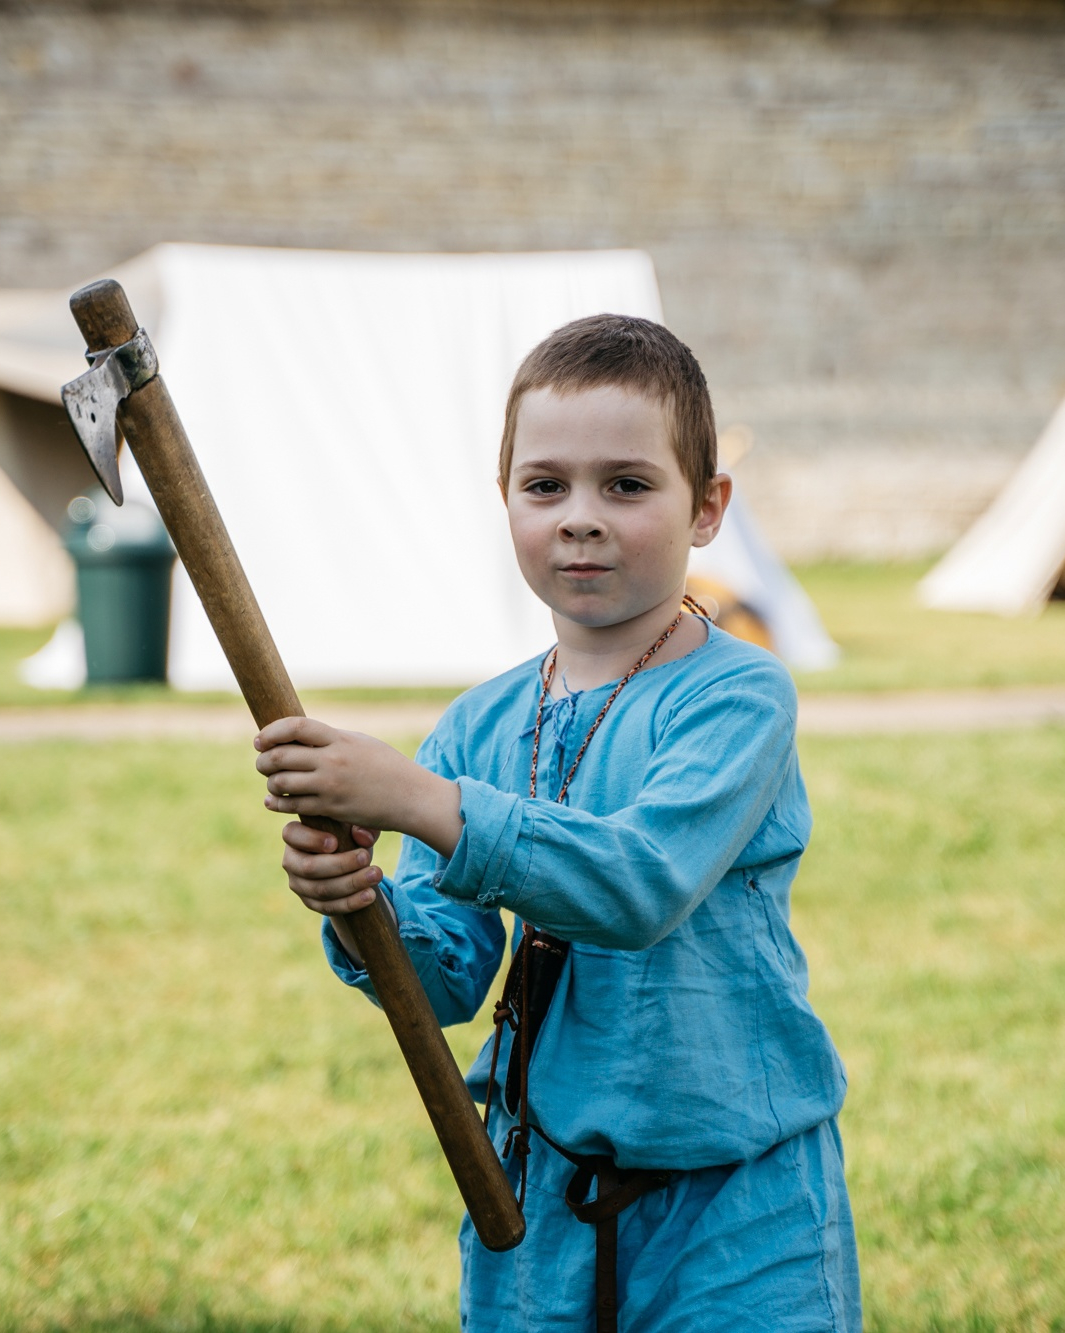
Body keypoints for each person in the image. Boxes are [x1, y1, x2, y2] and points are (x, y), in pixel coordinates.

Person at [250, 315, 861, 1332]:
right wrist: (361, 902)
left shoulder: (737, 696)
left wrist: (419, 802)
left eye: (625, 484)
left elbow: (637, 885)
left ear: (706, 507)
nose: (580, 517)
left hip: (739, 1211)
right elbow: (444, 975)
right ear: (506, 505)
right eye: (545, 486)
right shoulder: (474, 726)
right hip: (535, 1204)